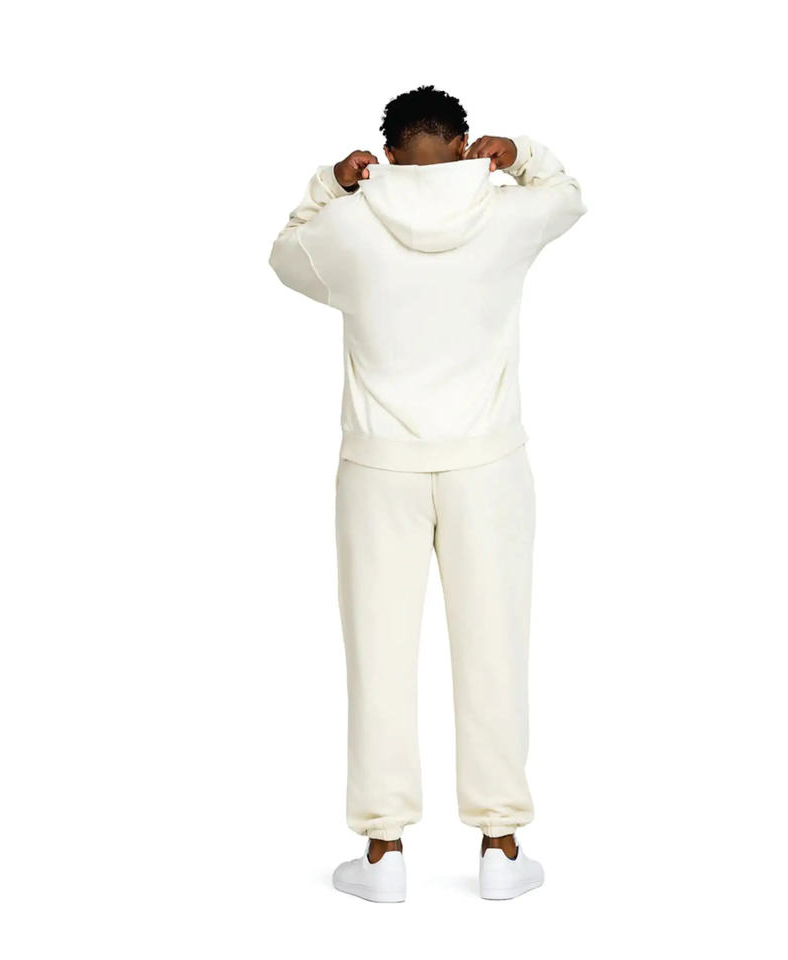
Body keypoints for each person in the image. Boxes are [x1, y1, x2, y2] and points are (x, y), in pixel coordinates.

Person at [268, 85, 585, 901]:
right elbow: (566, 195)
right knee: (496, 649)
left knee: (377, 655)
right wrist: (520, 155)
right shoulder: (508, 216)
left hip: (380, 469)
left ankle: (383, 855)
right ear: (464, 143)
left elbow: (286, 254)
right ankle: (501, 848)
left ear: (388, 152)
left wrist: (332, 182)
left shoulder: (348, 227)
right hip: (488, 466)